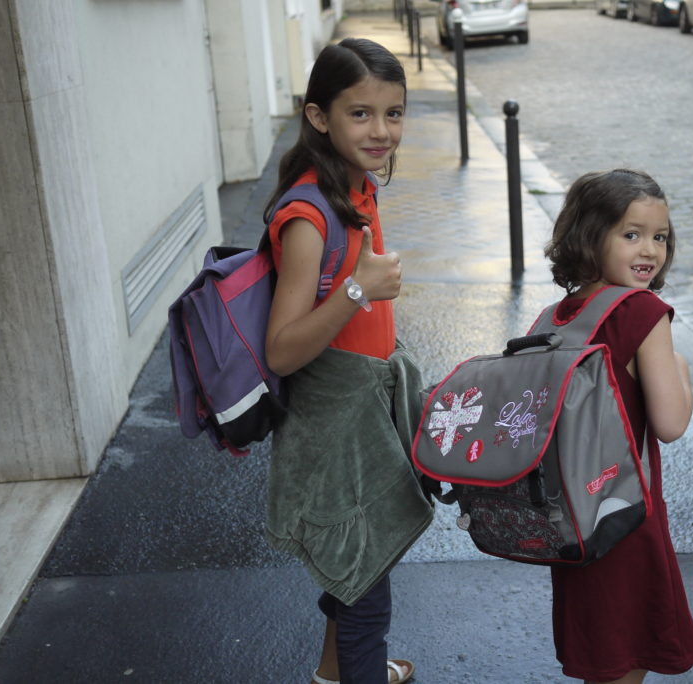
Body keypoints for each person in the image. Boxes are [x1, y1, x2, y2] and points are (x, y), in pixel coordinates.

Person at [261, 38, 430, 684]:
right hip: (334, 434)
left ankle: (333, 675)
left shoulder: (354, 186)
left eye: (394, 113)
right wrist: (360, 288)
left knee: (359, 563)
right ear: (318, 116)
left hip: (363, 417)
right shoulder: (310, 212)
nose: (382, 130)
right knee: (366, 592)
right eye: (360, 114)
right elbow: (284, 346)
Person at [542, 169, 693, 684]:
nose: (649, 250)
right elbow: (671, 422)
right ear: (592, 236)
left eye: (660, 237)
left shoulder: (558, 315)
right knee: (626, 659)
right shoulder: (642, 311)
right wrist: (681, 370)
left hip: (572, 515)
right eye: (631, 234)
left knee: (601, 654)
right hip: (623, 516)